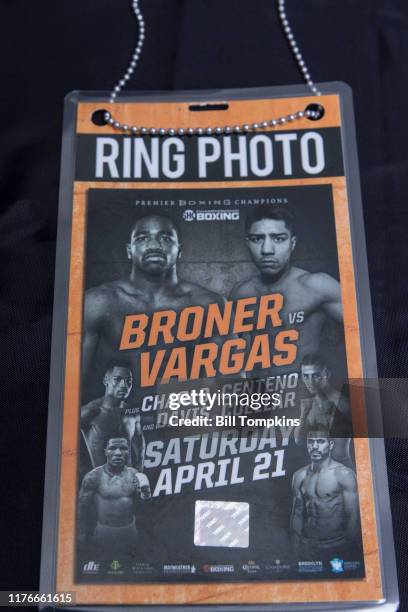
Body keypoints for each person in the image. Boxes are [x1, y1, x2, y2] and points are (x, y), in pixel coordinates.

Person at [82, 213, 224, 392]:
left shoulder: (207, 303)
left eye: (165, 238)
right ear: (129, 250)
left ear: (179, 250)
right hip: (121, 414)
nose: (155, 245)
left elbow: (231, 379)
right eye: (142, 238)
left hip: (181, 414)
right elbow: (73, 380)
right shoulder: (100, 302)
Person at [229, 206, 343, 374]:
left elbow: (366, 332)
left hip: (303, 395)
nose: (267, 249)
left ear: (292, 243)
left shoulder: (316, 285)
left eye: (278, 238)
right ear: (247, 244)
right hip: (260, 395)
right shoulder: (241, 293)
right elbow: (230, 352)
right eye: (257, 239)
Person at [290, 431, 360, 561]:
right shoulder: (299, 476)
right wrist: (294, 551)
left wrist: (349, 551)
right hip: (307, 546)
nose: (315, 446)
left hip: (336, 546)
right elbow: (297, 515)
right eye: (311, 442)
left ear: (331, 445)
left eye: (321, 442)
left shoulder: (343, 474)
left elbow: (353, 518)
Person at [77, 437, 151, 553]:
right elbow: (82, 508)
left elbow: (142, 508)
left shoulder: (134, 475)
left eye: (123, 448)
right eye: (112, 448)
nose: (118, 453)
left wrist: (145, 494)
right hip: (103, 532)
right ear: (106, 451)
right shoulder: (94, 477)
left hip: (131, 531)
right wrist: (81, 534)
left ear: (128, 452)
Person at [81, 364, 145, 471]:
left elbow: (139, 442)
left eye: (128, 381)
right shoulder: (91, 411)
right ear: (106, 381)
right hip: (101, 483)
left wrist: (140, 470)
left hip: (128, 482)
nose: (124, 385)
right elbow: (65, 444)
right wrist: (84, 474)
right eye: (117, 379)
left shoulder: (132, 413)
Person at [294, 354, 352, 466]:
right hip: (319, 472)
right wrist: (303, 415)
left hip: (343, 469)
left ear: (326, 374)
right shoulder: (308, 405)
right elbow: (299, 441)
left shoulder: (341, 401)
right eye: (305, 376)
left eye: (315, 375)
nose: (310, 382)